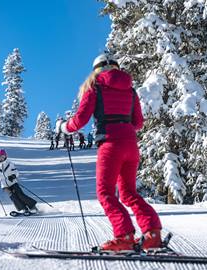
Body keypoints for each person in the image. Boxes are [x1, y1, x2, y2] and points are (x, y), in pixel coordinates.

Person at [59, 54, 162, 252]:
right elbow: (138, 123)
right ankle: (152, 234)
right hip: (131, 144)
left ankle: (124, 237)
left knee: (106, 192)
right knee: (129, 193)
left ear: (96, 69)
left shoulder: (95, 87)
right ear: (116, 67)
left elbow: (80, 120)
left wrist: (64, 127)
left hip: (110, 144)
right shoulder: (131, 91)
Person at [0, 149, 37, 214]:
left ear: (5, 156)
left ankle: (32, 207)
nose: (1, 158)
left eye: (2, 156)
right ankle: (24, 209)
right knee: (13, 197)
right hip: (4, 185)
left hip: (13, 182)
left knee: (20, 195)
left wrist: (13, 176)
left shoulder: (10, 164)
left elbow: (16, 172)